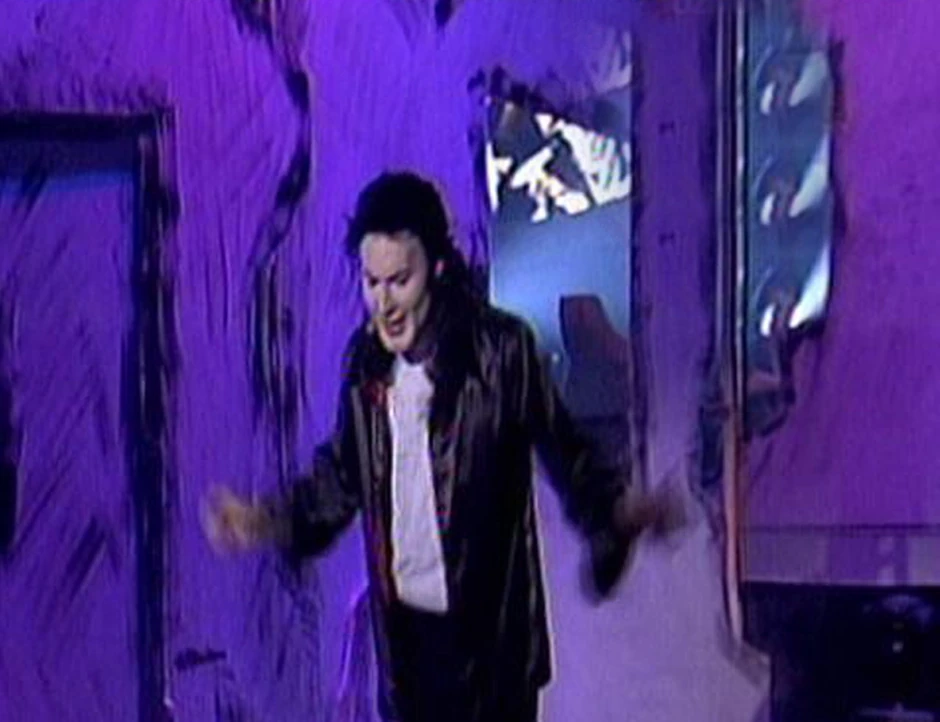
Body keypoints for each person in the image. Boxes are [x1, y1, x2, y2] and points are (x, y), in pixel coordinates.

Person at [204, 171, 683, 722]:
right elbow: (340, 477)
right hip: (409, 654)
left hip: (492, 654)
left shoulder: (501, 352)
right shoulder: (366, 364)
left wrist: (617, 511)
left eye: (399, 281)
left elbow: (566, 450)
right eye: (372, 282)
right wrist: (265, 520)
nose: (384, 303)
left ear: (436, 269)